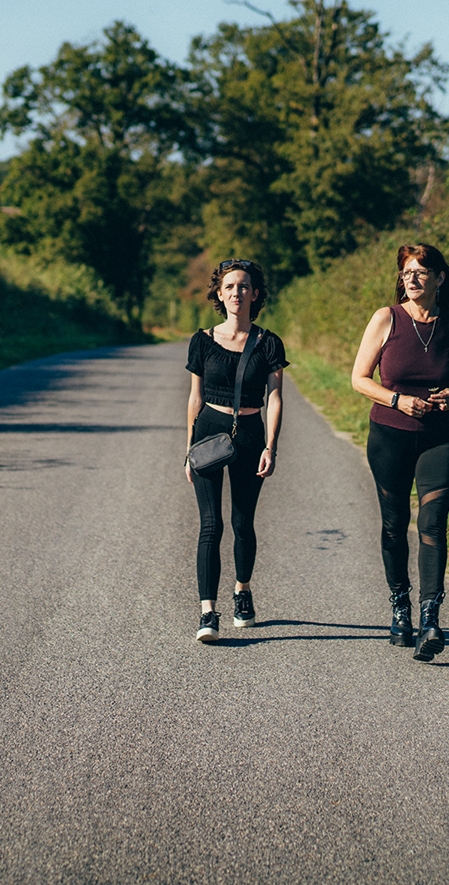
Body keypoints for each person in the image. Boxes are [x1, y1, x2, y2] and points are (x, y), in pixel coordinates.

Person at [350, 244, 449, 661]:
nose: (412, 278)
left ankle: (431, 618)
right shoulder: (386, 318)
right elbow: (359, 379)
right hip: (390, 435)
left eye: (421, 271)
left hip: (440, 437)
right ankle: (400, 607)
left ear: (441, 278)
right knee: (393, 523)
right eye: (407, 272)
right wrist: (397, 400)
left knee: (433, 524)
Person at [185, 258, 288, 643]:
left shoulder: (268, 343)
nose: (236, 294)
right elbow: (194, 399)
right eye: (229, 287)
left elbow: (275, 398)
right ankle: (207, 612)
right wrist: (188, 449)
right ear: (219, 293)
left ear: (255, 294)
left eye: (243, 287)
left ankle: (242, 592)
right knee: (211, 525)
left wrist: (271, 446)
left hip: (249, 433)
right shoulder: (203, 341)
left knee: (243, 522)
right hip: (210, 431)